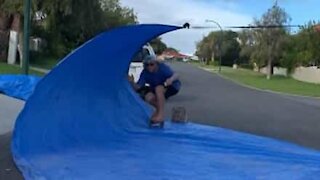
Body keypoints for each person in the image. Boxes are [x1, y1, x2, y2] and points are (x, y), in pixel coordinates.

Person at [129, 55, 181, 125]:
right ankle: (158, 111)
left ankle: (160, 116)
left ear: (156, 64)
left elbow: (176, 75)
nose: (149, 67)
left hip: (172, 86)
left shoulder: (162, 68)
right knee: (148, 96)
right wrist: (131, 82)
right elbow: (138, 87)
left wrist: (171, 79)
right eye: (147, 65)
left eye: (152, 64)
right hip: (157, 88)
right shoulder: (145, 72)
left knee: (158, 88)